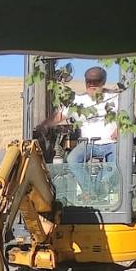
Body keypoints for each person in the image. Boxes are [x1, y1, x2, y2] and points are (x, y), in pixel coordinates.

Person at [50, 66, 121, 200]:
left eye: (96, 81)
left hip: (112, 144)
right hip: (88, 144)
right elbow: (60, 116)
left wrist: (119, 129)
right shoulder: (78, 101)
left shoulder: (115, 98)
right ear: (85, 82)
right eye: (89, 82)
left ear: (103, 82)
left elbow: (127, 117)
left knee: (118, 164)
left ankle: (101, 187)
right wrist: (44, 125)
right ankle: (91, 190)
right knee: (72, 159)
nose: (92, 85)